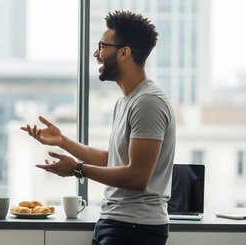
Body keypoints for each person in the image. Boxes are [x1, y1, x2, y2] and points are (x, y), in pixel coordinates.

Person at [21, 11, 175, 245]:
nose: (96, 53)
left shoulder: (148, 102)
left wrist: (77, 169)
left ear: (124, 52)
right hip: (116, 223)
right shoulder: (126, 101)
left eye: (102, 46)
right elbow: (114, 160)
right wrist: (63, 141)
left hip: (136, 228)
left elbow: (137, 177)